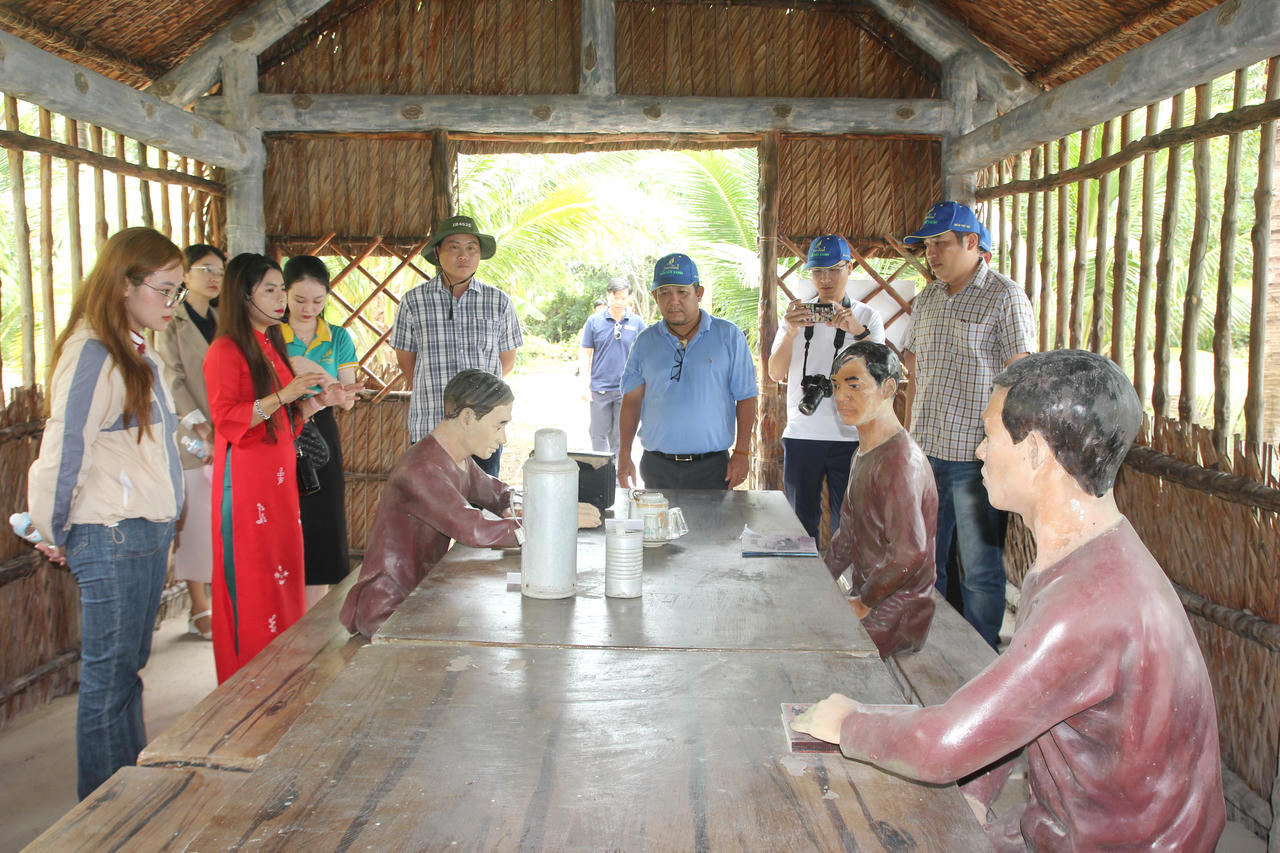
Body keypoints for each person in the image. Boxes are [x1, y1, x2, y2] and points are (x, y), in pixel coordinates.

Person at [793, 350, 1226, 851]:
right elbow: (1028, 704)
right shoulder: (1086, 557)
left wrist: (850, 723)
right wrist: (975, 796)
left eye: (991, 436)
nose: (979, 451)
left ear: (1037, 452)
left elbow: (941, 745)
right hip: (1068, 821)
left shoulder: (1087, 603)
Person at [26, 227, 186, 799]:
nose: (172, 304)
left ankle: (125, 790)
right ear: (124, 284)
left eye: (178, 292)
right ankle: (100, 808)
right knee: (108, 677)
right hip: (111, 533)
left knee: (125, 672)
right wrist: (53, 525)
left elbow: (149, 442)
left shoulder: (136, 348)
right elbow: (66, 444)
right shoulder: (93, 350)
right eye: (164, 290)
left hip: (140, 529)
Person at [203, 253, 343, 683]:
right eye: (270, 289)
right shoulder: (226, 350)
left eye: (281, 289)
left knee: (283, 569)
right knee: (254, 576)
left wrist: (318, 400)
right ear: (242, 295)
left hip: (279, 480)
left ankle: (283, 672)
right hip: (246, 482)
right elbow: (229, 419)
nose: (281, 298)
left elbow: (286, 417)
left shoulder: (270, 342)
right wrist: (285, 395)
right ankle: (249, 682)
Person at [901, 201, 1035, 648]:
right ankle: (932, 651)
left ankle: (978, 661)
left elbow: (1019, 375)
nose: (932, 254)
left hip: (980, 459)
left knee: (980, 569)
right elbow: (915, 374)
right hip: (927, 451)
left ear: (971, 243)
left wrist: (1009, 450)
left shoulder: (1004, 295)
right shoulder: (927, 300)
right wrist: (907, 443)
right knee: (925, 561)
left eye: (941, 243)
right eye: (927, 246)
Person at [766, 234, 884, 539]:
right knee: (798, 526)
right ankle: (802, 586)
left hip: (851, 435)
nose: (825, 278)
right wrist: (791, 332)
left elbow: (882, 373)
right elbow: (775, 373)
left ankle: (843, 587)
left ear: (850, 268)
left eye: (834, 269)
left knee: (849, 528)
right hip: (803, 434)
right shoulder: (798, 315)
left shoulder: (867, 317)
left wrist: (857, 332)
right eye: (818, 271)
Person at [824, 341, 936, 659]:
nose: (841, 396)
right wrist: (820, 582)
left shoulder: (900, 462)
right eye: (835, 386)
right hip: (869, 596)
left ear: (888, 387)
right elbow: (846, 534)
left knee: (817, 650)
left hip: (898, 610)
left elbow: (909, 553)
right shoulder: (863, 453)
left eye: (854, 385)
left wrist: (864, 602)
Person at [389, 215, 522, 476]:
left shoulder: (498, 302)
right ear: (437, 252)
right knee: (431, 508)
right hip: (432, 423)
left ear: (479, 254)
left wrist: (480, 397)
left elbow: (506, 360)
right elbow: (408, 363)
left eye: (471, 247)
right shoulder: (414, 302)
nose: (464, 255)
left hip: (484, 426)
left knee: (482, 506)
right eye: (454, 247)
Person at [617, 253, 757, 491]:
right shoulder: (645, 341)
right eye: (664, 293)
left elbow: (745, 397)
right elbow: (631, 401)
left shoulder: (728, 336)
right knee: (657, 528)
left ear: (698, 293)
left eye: (682, 292)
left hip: (713, 467)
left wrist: (742, 452)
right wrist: (624, 453)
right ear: (655, 296)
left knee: (713, 529)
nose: (673, 301)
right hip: (656, 466)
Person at [282, 255, 363, 608]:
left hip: (320, 432)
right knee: (285, 519)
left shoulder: (339, 337)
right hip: (279, 428)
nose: (308, 308)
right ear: (283, 294)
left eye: (318, 301)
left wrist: (320, 378)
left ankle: (312, 615)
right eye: (299, 300)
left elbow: (347, 401)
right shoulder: (270, 334)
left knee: (320, 520)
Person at [154, 243, 224, 641]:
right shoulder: (171, 320)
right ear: (185, 275)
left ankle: (221, 598)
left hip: (227, 430)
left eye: (219, 271)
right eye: (205, 269)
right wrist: (198, 423)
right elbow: (171, 376)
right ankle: (200, 607)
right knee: (195, 520)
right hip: (192, 434)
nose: (214, 278)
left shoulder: (223, 319)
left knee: (220, 519)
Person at [579, 277, 645, 455]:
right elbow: (586, 353)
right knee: (598, 435)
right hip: (600, 388)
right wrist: (585, 385)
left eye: (624, 298)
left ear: (628, 298)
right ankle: (602, 475)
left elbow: (646, 354)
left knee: (621, 436)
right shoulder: (594, 322)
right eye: (616, 297)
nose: (620, 302)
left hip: (627, 390)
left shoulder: (637, 323)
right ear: (608, 295)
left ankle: (616, 479)